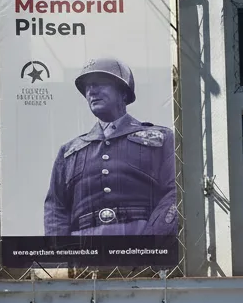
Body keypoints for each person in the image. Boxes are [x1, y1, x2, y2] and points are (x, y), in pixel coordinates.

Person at [44, 58, 176, 236]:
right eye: (88, 87)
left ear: (123, 93)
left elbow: (174, 191)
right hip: (84, 246)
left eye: (100, 83)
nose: (92, 91)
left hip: (140, 239)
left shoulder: (162, 138)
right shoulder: (68, 152)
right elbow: (56, 209)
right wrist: (63, 249)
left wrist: (154, 240)